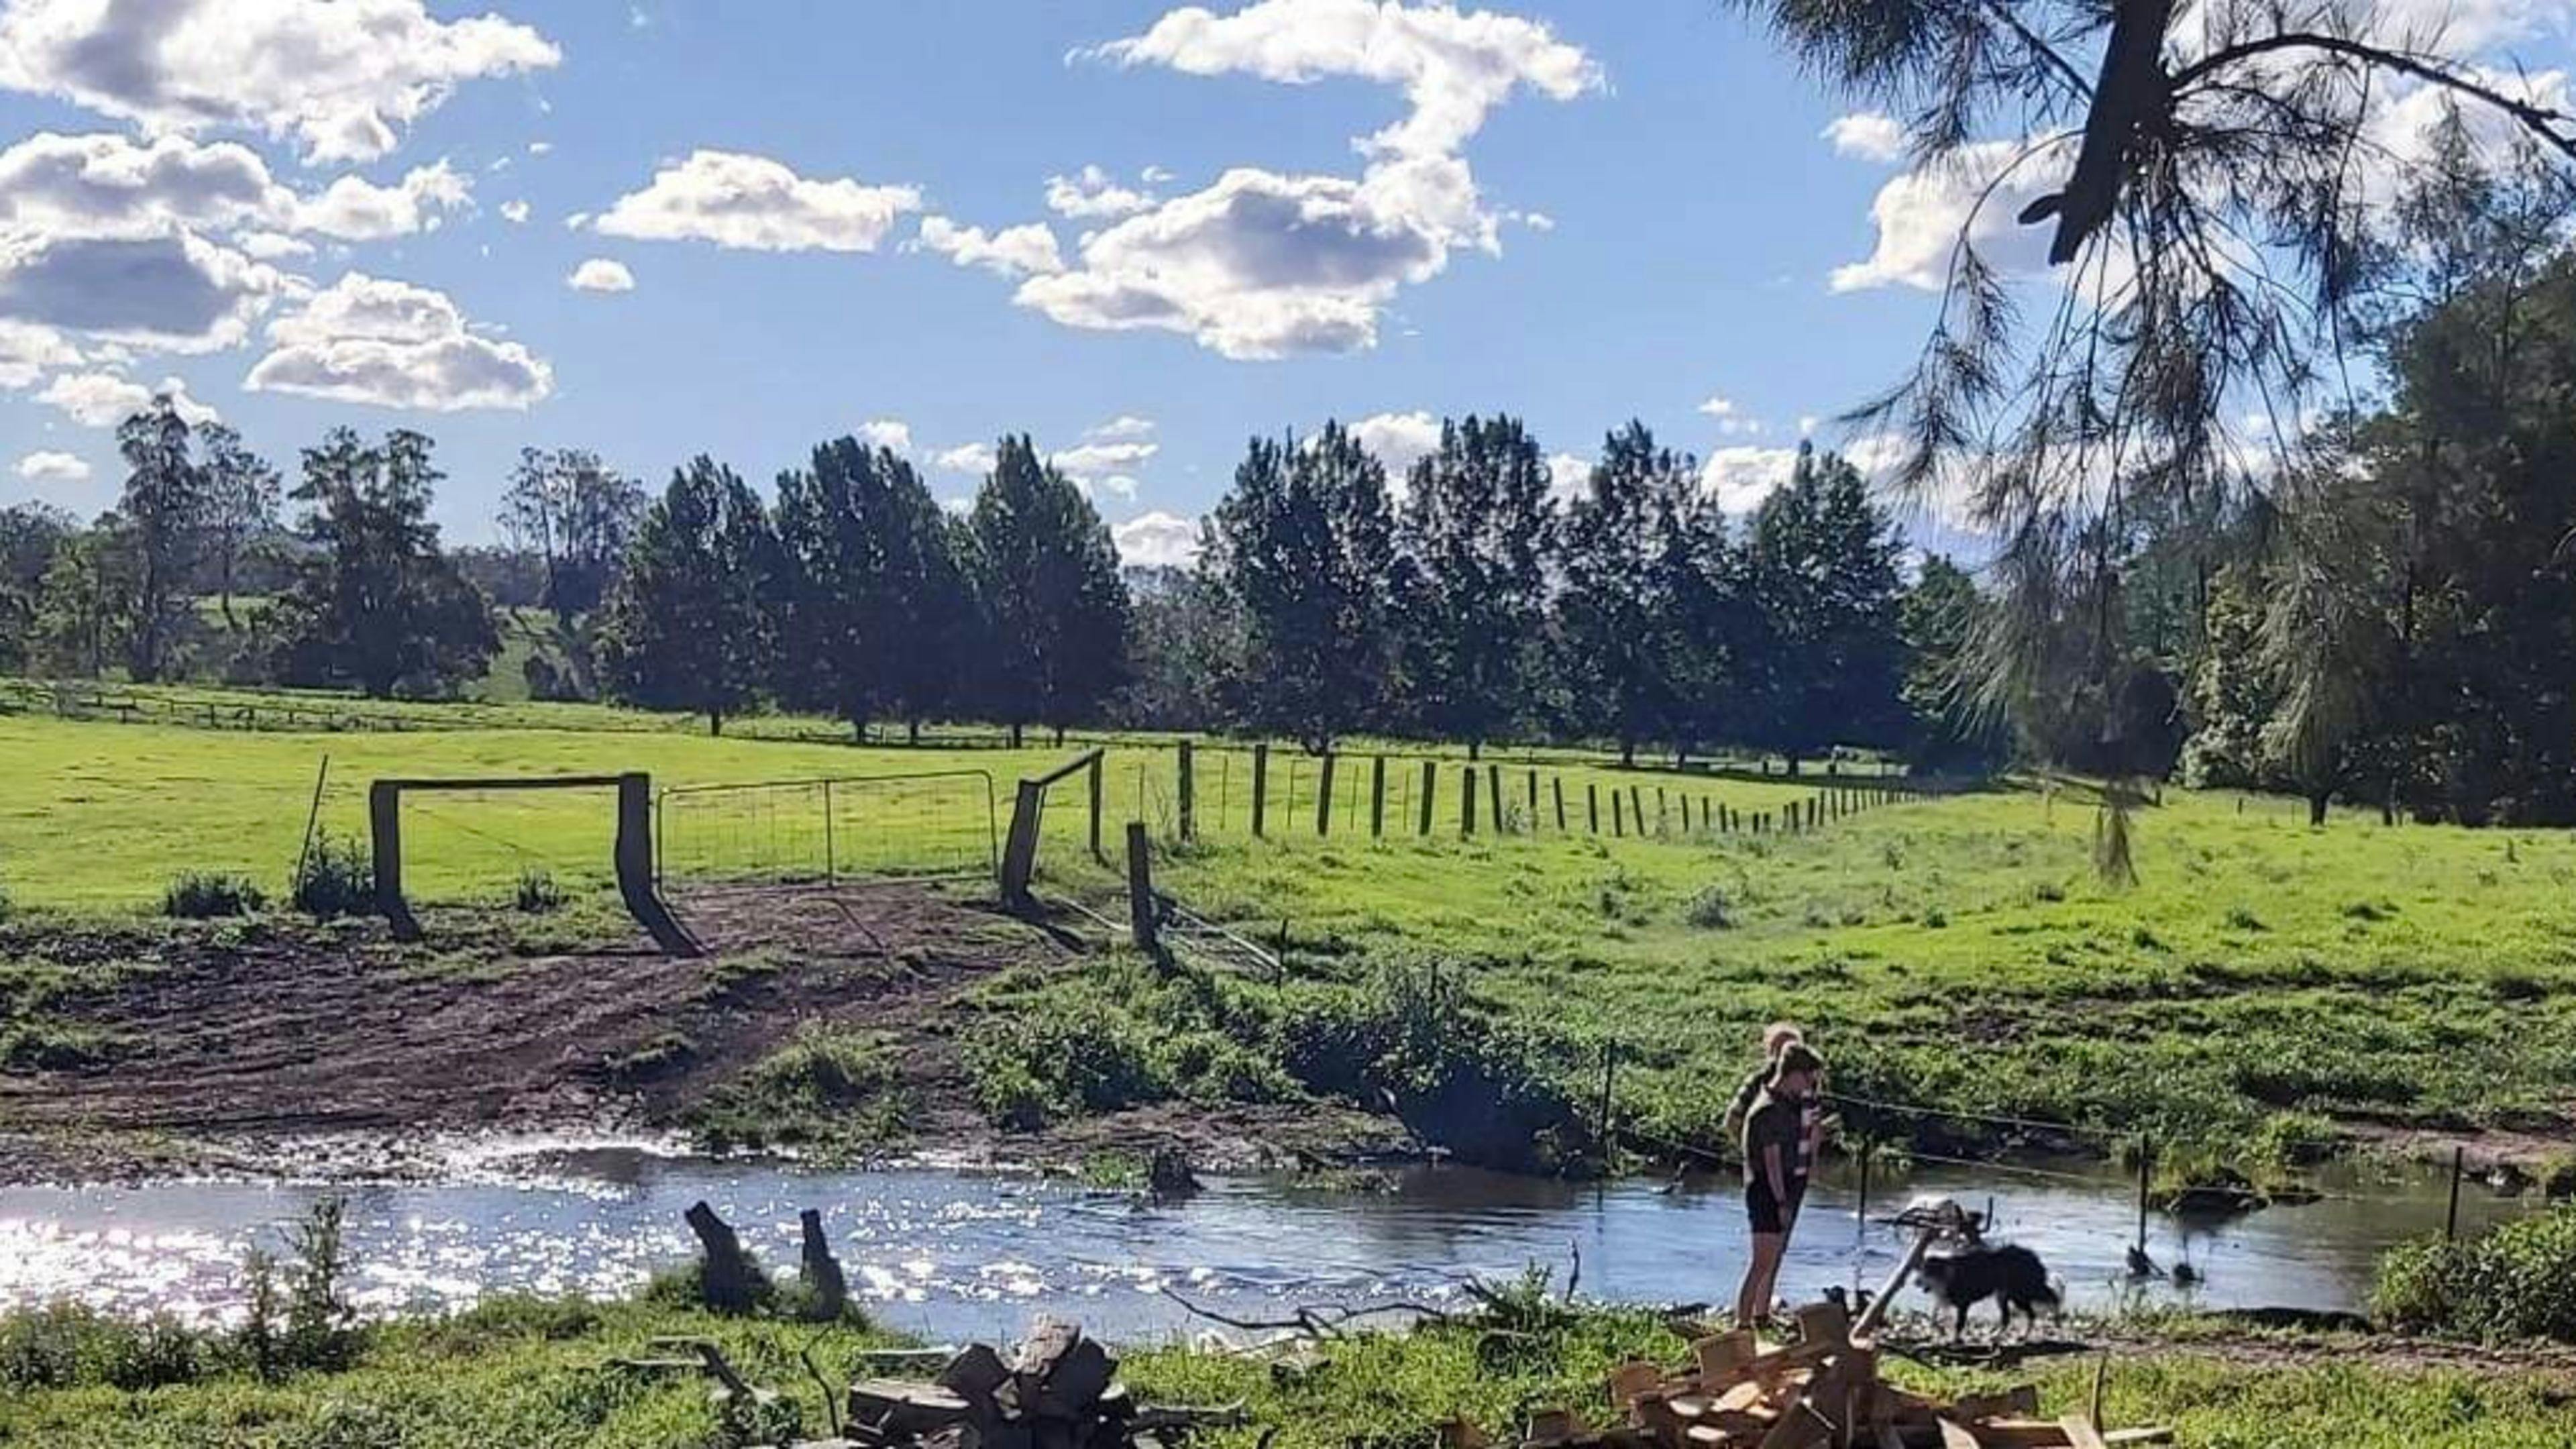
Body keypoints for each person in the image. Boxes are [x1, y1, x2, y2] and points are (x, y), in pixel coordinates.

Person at [1735, 1042, 1825, 1329]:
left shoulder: (1788, 1105)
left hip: (1780, 1186)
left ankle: (1759, 1317)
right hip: (1766, 1191)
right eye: (1807, 1078)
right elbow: (1772, 1163)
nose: (1809, 1085)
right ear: (1793, 1074)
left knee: (1770, 1259)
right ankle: (1742, 1323)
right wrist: (1782, 1202)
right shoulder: (1767, 1111)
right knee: (1760, 1262)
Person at [1722, 1022, 1804, 1140]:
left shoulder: (1810, 1082)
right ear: (1770, 1052)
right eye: (1780, 1050)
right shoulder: (1757, 1081)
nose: (1785, 1056)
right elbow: (1732, 1121)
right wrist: (1752, 1146)